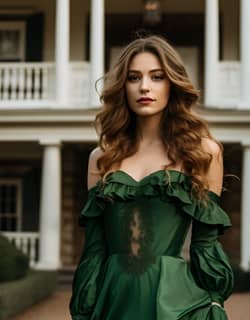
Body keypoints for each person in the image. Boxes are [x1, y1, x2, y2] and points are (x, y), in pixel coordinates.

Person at [69, 34, 234, 320]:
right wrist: (84, 308)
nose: (144, 86)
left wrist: (215, 301)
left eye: (157, 77)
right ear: (123, 86)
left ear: (173, 83)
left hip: (175, 304)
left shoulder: (203, 153)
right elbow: (94, 249)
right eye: (134, 78)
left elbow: (205, 243)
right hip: (112, 301)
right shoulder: (101, 158)